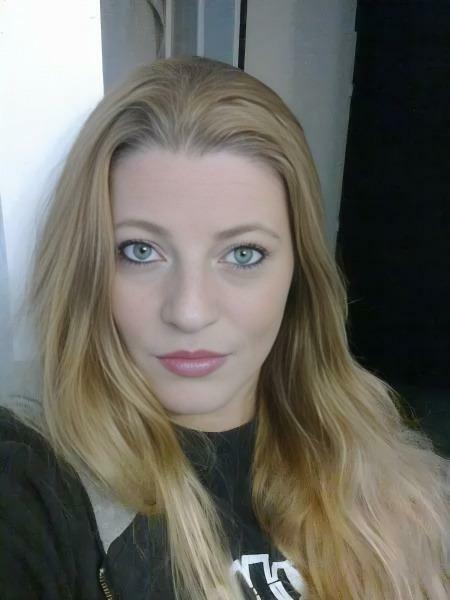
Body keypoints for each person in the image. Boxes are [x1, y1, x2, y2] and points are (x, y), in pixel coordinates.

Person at [0, 56, 448, 600]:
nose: (189, 311)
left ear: (299, 273)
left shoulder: (400, 481)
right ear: (86, 268)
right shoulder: (32, 485)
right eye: (140, 251)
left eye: (242, 253)